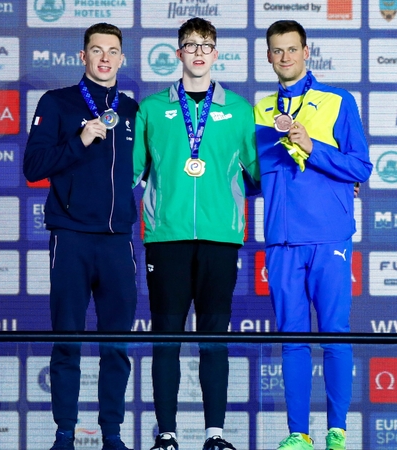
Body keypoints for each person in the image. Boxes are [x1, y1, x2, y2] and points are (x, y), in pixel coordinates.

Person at [132, 17, 259, 450]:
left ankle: (215, 434)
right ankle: (166, 434)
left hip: (221, 239)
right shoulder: (151, 110)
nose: (199, 52)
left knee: (213, 338)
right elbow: (126, 173)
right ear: (179, 53)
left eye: (206, 44)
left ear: (217, 52)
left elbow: (264, 173)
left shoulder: (241, 111)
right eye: (191, 44)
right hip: (165, 238)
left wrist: (331, 177)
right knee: (165, 337)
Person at [253, 20, 373, 450]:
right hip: (283, 240)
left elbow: (360, 167)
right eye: (276, 51)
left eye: (291, 49)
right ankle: (298, 433)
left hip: (328, 237)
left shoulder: (338, 101)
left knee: (335, 333)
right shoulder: (261, 110)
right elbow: (255, 177)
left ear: (307, 52)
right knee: (292, 337)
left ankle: (337, 430)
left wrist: (313, 148)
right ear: (268, 56)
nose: (284, 57)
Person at [23, 22, 138, 450]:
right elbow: (33, 166)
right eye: (96, 50)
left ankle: (112, 435)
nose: (105, 58)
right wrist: (81, 138)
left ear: (122, 58)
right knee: (67, 340)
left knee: (117, 346)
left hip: (116, 241)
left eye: (112, 51)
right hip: (71, 237)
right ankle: (65, 434)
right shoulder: (57, 103)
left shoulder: (131, 109)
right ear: (82, 57)